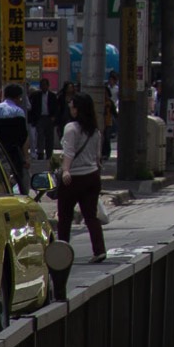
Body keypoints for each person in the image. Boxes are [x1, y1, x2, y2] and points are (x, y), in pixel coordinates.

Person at [57, 91, 107, 263]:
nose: (70, 108)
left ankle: (62, 253)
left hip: (73, 178)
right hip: (92, 177)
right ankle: (99, 250)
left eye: (72, 105)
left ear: (77, 109)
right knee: (91, 216)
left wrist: (65, 170)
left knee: (64, 217)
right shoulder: (95, 131)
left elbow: (68, 152)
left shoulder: (71, 128)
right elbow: (98, 157)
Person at [0, 84, 31, 191]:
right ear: (18, 97)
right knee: (17, 180)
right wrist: (26, 157)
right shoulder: (18, 112)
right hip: (12, 153)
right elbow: (23, 137)